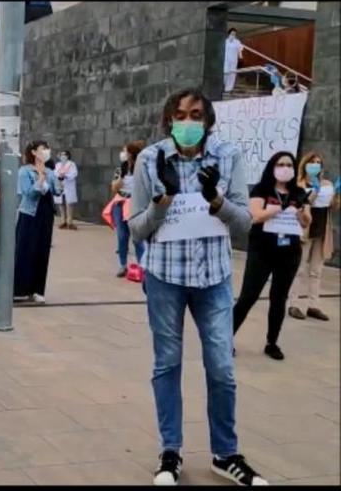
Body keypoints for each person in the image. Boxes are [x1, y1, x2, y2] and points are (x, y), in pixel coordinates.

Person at [128, 88, 268, 486]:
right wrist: (164, 199)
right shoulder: (149, 159)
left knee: (222, 367)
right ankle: (170, 451)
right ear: (167, 120)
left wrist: (215, 199)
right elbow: (135, 226)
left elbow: (243, 222)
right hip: (164, 278)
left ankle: (226, 453)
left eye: (195, 115)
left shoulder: (229, 156)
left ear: (207, 120)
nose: (187, 123)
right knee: (167, 364)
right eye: (179, 115)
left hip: (214, 279)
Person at [232, 152, 310, 361]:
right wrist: (277, 209)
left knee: (279, 298)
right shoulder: (261, 189)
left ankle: (272, 342)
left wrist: (301, 210)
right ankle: (225, 338)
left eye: (289, 164)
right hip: (262, 249)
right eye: (280, 164)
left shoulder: (298, 192)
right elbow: (255, 216)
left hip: (289, 251)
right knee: (249, 295)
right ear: (272, 167)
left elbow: (305, 222)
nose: (285, 168)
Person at [288, 152, 339, 321]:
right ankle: (293, 304)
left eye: (318, 163)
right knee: (300, 269)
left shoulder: (327, 184)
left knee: (316, 271)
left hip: (322, 230)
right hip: (305, 228)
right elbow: (303, 203)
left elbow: (334, 206)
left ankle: (313, 305)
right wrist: (314, 191)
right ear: (305, 164)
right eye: (312, 162)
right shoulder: (300, 184)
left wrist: (337, 193)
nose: (316, 165)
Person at [13, 141, 60, 304]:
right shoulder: (24, 171)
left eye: (47, 148)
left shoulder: (50, 171)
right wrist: (39, 180)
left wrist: (52, 178)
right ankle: (19, 289)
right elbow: (27, 193)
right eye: (42, 149)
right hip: (29, 212)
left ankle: (37, 289)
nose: (46, 151)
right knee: (25, 250)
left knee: (42, 250)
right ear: (33, 152)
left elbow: (57, 190)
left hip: (46, 213)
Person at [107, 141, 146, 277]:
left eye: (125, 151)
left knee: (137, 237)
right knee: (122, 236)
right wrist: (120, 179)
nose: (123, 154)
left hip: (135, 204)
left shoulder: (141, 168)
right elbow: (114, 188)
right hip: (120, 203)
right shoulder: (120, 169)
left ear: (132, 153)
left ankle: (142, 265)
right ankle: (122, 265)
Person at [55, 150, 79, 230]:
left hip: (69, 185)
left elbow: (74, 173)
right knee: (60, 204)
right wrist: (60, 175)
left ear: (68, 156)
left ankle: (70, 222)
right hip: (60, 185)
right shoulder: (58, 164)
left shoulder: (71, 164)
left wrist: (66, 175)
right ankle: (63, 221)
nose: (63, 156)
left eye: (64, 155)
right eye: (61, 154)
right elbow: (55, 173)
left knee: (69, 204)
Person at [223, 28, 244, 93]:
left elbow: (240, 49)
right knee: (225, 73)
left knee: (232, 74)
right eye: (232, 33)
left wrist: (240, 55)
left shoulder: (237, 42)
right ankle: (224, 85)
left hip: (233, 60)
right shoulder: (225, 41)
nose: (233, 35)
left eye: (234, 34)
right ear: (229, 34)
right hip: (226, 60)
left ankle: (229, 89)